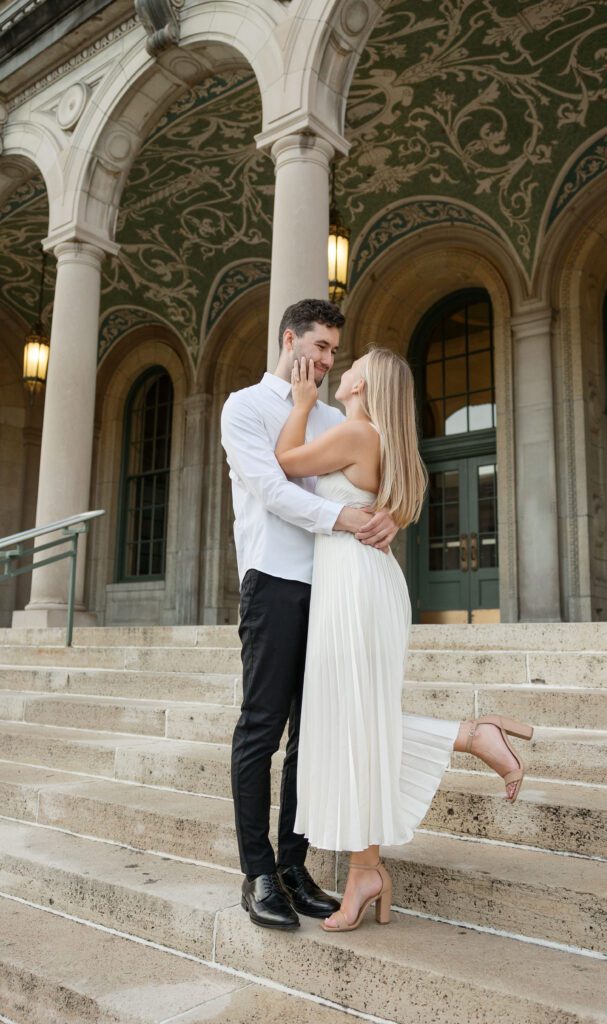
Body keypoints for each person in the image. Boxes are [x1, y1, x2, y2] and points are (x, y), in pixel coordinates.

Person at [274, 347, 534, 932]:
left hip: (355, 586)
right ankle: (368, 865)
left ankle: (468, 742)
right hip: (358, 582)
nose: (342, 367)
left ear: (366, 382)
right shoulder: (370, 437)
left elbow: (286, 462)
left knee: (348, 721)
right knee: (349, 720)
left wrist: (300, 402)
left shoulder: (357, 433)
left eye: (352, 362)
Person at [221, 299, 400, 931]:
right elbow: (270, 488)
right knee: (262, 728)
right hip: (273, 581)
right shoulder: (244, 406)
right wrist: (343, 517)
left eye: (333, 351)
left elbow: (376, 468)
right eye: (318, 346)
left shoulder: (330, 414)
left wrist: (386, 515)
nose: (326, 360)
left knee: (312, 735)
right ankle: (259, 872)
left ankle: (295, 865)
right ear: (289, 338)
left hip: (333, 588)